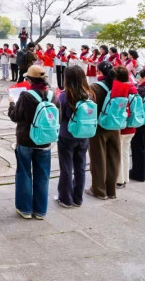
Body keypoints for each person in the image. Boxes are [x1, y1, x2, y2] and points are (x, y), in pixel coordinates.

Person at [8, 65, 59, 219]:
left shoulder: (25, 96)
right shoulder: (52, 95)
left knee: (24, 173)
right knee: (42, 175)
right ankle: (41, 210)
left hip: (26, 140)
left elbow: (15, 116)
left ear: (30, 80)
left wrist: (12, 103)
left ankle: (25, 209)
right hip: (45, 141)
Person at [55, 65, 91, 208]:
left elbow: (59, 117)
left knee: (66, 168)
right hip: (84, 134)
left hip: (67, 135)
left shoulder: (65, 95)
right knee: (80, 167)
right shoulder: (89, 94)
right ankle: (78, 198)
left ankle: (65, 198)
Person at [87, 61, 121, 200]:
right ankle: (111, 190)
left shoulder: (94, 87)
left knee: (98, 159)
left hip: (99, 128)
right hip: (115, 126)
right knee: (113, 158)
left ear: (99, 72)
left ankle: (99, 190)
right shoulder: (118, 85)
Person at [112, 66, 138, 189]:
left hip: (122, 126)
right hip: (132, 125)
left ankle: (119, 180)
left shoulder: (120, 88)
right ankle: (125, 178)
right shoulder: (133, 88)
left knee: (119, 153)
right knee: (125, 152)